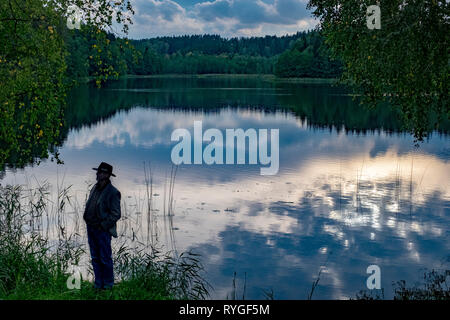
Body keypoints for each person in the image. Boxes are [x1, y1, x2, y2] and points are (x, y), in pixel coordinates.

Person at [83, 162, 121, 289]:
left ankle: (108, 285)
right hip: (91, 228)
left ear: (107, 175)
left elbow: (116, 214)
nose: (98, 174)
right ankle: (98, 284)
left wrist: (103, 226)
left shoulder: (113, 192)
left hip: (102, 230)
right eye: (98, 172)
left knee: (105, 258)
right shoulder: (95, 187)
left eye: (102, 172)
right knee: (95, 257)